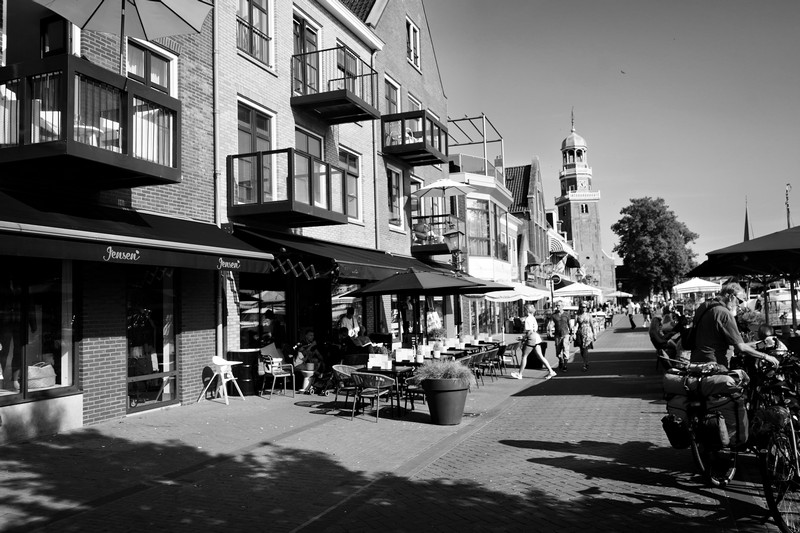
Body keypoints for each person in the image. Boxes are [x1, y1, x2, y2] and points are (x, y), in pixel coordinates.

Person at [690, 282, 779, 368]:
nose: (739, 305)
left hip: (696, 362)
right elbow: (740, 347)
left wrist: (760, 344)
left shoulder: (704, 306)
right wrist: (766, 356)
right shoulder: (724, 313)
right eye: (739, 301)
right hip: (715, 365)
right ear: (731, 297)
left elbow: (730, 345)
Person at [512, 305, 556, 379]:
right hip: (537, 338)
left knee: (524, 356)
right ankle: (551, 371)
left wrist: (523, 338)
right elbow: (534, 330)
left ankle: (520, 374)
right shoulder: (533, 318)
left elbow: (530, 332)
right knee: (540, 356)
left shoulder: (528, 319)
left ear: (526, 311)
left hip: (531, 338)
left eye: (524, 310)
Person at [574, 303, 596, 372]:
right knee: (581, 349)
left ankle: (584, 364)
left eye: (585, 307)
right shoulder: (577, 315)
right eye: (583, 307)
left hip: (587, 333)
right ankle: (586, 361)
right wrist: (573, 334)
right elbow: (575, 325)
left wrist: (594, 334)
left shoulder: (589, 315)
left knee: (585, 349)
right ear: (580, 307)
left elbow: (592, 325)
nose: (584, 308)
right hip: (580, 333)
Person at [551, 303, 572, 372]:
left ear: (562, 306)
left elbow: (569, 324)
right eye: (557, 305)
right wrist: (550, 330)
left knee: (566, 349)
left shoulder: (566, 314)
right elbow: (551, 323)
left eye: (559, 305)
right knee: (558, 350)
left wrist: (571, 334)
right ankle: (560, 360)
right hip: (557, 335)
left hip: (565, 334)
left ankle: (565, 365)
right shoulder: (554, 315)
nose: (557, 307)